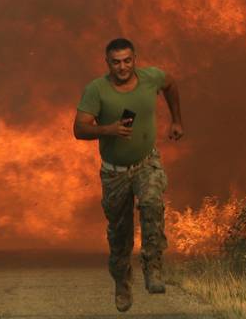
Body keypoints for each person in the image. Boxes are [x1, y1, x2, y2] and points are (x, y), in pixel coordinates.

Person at [73, 38, 183, 312]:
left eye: (127, 61)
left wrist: (177, 120)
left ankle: (153, 266)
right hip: (115, 173)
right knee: (119, 235)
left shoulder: (151, 78)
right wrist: (108, 129)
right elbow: (79, 128)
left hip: (146, 163)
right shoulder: (97, 90)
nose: (122, 67)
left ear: (135, 59)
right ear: (107, 63)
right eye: (116, 62)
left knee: (152, 204)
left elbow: (170, 85)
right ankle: (122, 282)